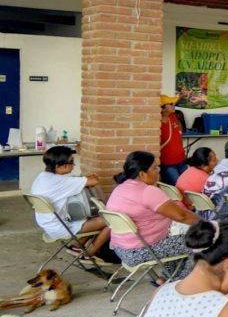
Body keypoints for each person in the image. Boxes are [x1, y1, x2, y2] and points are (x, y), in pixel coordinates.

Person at [106, 151, 200, 280]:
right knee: (201, 240)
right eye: (154, 167)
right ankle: (179, 284)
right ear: (142, 174)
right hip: (140, 250)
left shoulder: (120, 188)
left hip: (121, 249)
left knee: (173, 237)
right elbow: (182, 216)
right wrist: (205, 223)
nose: (158, 170)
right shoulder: (147, 191)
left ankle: (168, 278)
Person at [30, 145, 116, 263]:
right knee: (112, 221)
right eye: (71, 161)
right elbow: (94, 180)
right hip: (61, 227)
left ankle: (77, 246)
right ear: (59, 166)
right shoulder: (60, 181)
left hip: (48, 225)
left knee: (94, 217)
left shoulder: (42, 177)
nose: (74, 165)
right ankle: (89, 254)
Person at [160, 94, 188, 186]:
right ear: (162, 108)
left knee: (187, 186)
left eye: (173, 103)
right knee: (177, 189)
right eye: (170, 104)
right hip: (168, 164)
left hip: (181, 160)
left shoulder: (173, 116)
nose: (173, 105)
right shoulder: (157, 123)